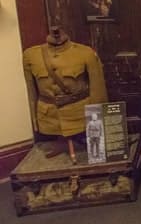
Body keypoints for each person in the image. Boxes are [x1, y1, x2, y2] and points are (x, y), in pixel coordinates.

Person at [22, 26, 108, 164]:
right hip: (49, 116)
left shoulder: (85, 53)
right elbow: (31, 92)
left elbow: (98, 90)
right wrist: (35, 121)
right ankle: (62, 142)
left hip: (78, 113)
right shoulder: (30, 55)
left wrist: (96, 123)